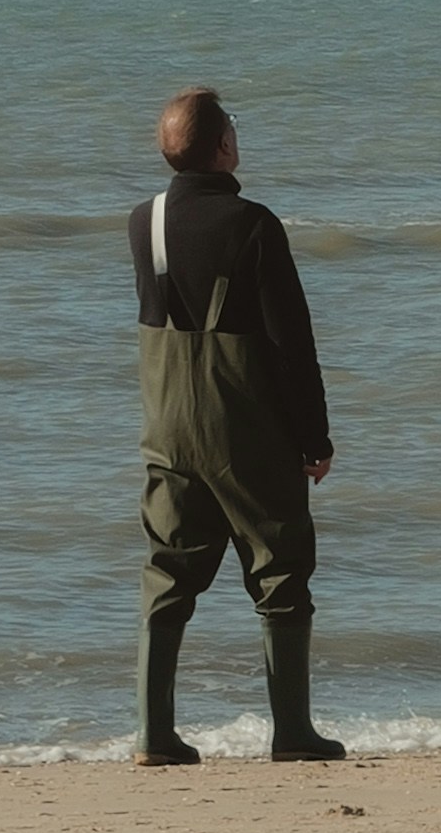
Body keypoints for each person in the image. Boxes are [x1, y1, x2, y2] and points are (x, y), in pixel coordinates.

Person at [128, 86, 344, 764]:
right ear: (224, 145)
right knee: (280, 572)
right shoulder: (255, 225)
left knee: (168, 571)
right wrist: (315, 437)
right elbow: (291, 343)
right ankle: (293, 732)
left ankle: (153, 735)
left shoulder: (144, 221)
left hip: (167, 425)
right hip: (246, 427)